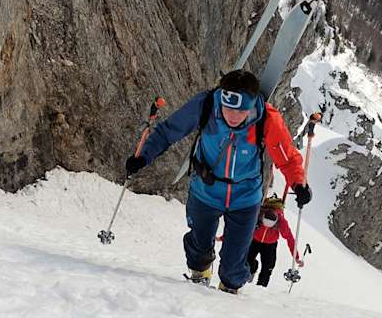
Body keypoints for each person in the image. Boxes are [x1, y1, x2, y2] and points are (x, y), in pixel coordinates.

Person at [125, 70, 312, 293]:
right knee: (198, 248)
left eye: (241, 110)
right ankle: (199, 274)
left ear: (251, 106)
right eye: (229, 108)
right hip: (205, 191)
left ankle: (229, 295)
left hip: (245, 199)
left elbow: (287, 158)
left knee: (233, 268)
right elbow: (169, 132)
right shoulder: (206, 105)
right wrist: (143, 156)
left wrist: (299, 184)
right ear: (221, 98)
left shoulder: (266, 118)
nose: (233, 116)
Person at [248, 196, 303, 287]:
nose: (267, 227)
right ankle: (250, 272)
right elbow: (243, 226)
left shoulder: (281, 221)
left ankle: (261, 288)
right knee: (247, 260)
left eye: (270, 226)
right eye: (264, 224)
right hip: (255, 240)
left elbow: (289, 238)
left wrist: (296, 257)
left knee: (268, 267)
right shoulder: (259, 213)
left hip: (270, 245)